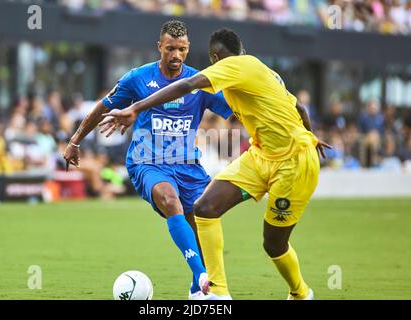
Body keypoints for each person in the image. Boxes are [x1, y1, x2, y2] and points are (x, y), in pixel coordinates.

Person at [100, 28, 332, 300]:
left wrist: (136, 107)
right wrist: (312, 135)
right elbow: (300, 109)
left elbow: (186, 85)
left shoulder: (231, 66)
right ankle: (217, 293)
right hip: (262, 155)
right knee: (204, 208)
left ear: (214, 57)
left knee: (274, 244)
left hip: (294, 162)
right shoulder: (262, 70)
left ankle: (301, 294)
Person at [63, 20, 233, 300]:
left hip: (187, 166)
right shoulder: (137, 78)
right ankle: (204, 278)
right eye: (170, 49)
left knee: (200, 224)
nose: (176, 55)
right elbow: (102, 107)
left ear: (188, 49)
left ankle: (196, 290)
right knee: (169, 199)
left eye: (181, 49)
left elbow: (237, 109)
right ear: (159, 47)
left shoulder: (201, 82)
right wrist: (75, 141)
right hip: (147, 162)